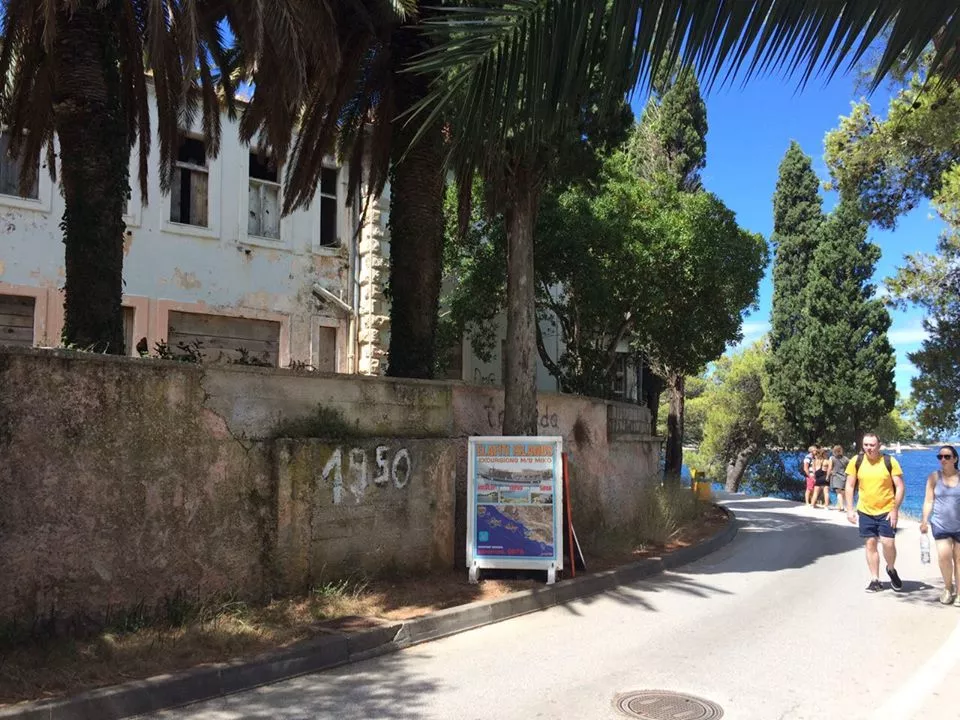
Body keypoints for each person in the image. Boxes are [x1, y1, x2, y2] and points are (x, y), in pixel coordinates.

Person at [845, 433, 905, 592]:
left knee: (888, 543)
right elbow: (849, 486)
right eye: (866, 445)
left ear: (879, 445)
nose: (869, 448)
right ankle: (875, 579)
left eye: (872, 445)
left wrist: (895, 509)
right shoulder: (856, 461)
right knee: (870, 544)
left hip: (886, 511)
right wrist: (849, 509)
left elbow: (900, 486)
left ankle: (891, 569)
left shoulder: (889, 461)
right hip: (865, 511)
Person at [919, 445, 960, 605]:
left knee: (958, 559)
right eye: (940, 457)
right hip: (940, 524)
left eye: (947, 456)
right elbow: (928, 501)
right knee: (944, 557)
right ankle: (948, 588)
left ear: (955, 459)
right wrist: (924, 520)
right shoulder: (934, 477)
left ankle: (959, 593)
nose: (943, 459)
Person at [829, 445, 850, 511]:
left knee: (838, 493)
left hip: (836, 477)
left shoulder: (832, 458)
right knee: (843, 493)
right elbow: (850, 466)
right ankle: (842, 506)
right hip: (844, 477)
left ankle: (842, 507)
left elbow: (830, 468)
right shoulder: (846, 458)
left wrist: (827, 476)